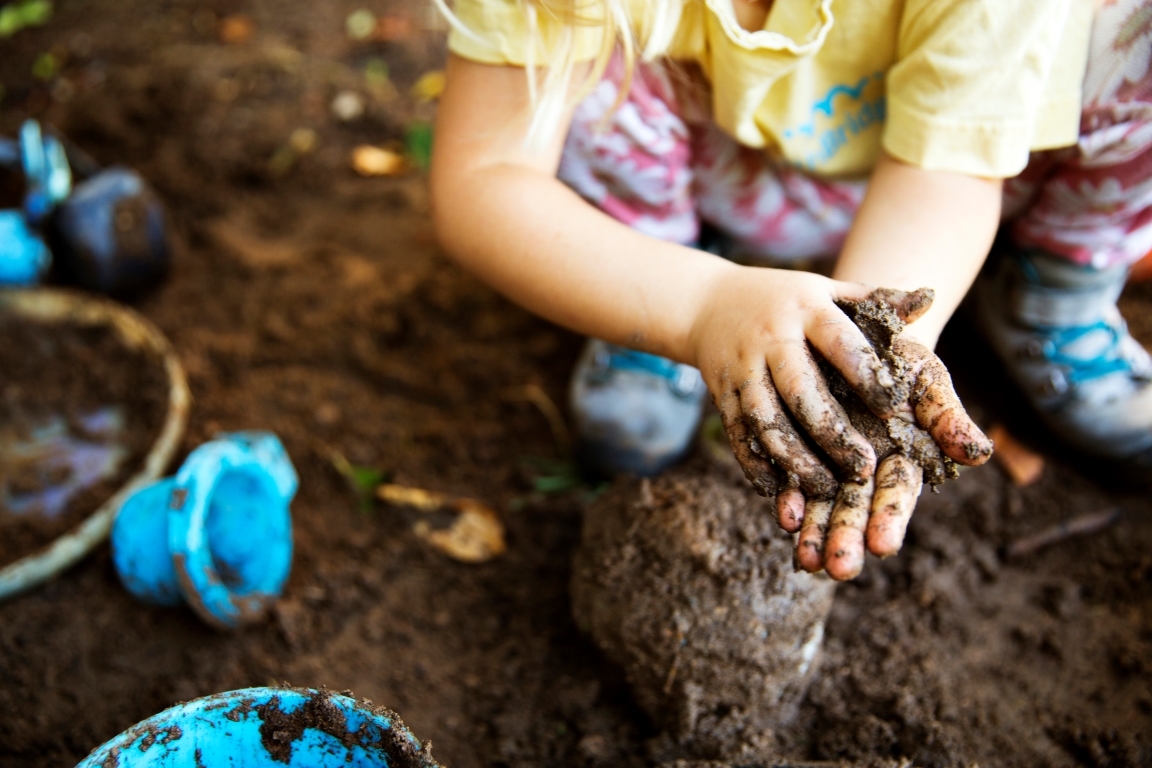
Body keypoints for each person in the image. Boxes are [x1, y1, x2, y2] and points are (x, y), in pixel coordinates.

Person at [430, 0, 1152, 580]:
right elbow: (487, 174)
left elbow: (951, 172)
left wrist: (867, 353)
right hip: (720, 173)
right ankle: (653, 280)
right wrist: (700, 305)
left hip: (955, 168)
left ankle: (1050, 287)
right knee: (572, 54)